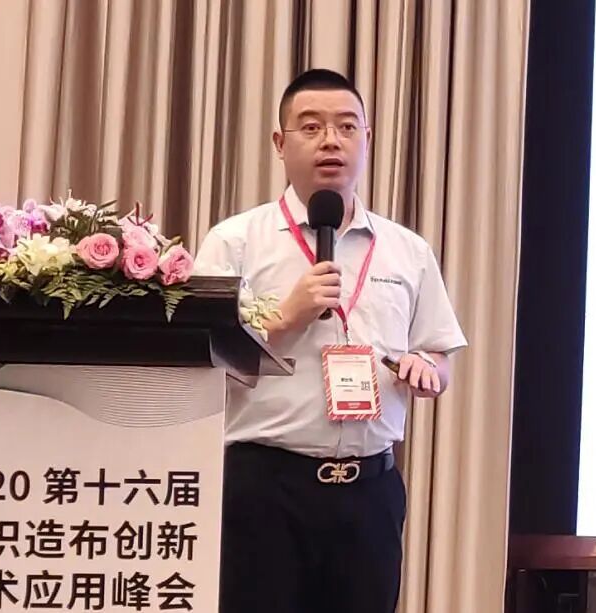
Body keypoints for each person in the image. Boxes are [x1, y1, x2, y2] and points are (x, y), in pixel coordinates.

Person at [195, 69, 468, 613]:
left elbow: (439, 352)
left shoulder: (407, 250)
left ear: (367, 139)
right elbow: (200, 361)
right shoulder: (235, 241)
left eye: (346, 127)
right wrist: (285, 318)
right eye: (311, 127)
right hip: (264, 488)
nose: (331, 141)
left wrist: (428, 369)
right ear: (280, 143)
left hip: (370, 490)